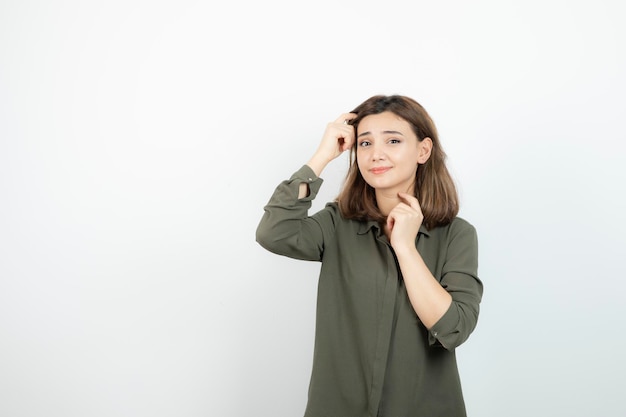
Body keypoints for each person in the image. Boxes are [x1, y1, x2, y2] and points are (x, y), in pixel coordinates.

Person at [256, 94, 483, 417]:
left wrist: (405, 247)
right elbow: (273, 232)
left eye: (393, 140)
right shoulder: (337, 223)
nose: (376, 154)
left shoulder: (457, 235)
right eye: (364, 143)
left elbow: (453, 328)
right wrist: (322, 156)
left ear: (423, 150)